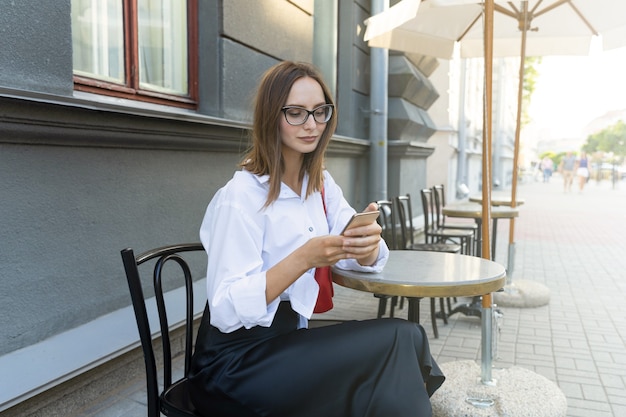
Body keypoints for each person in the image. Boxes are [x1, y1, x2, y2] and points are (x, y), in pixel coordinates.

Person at [188, 61, 445, 417]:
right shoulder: (241, 196)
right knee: (396, 341)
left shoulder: (319, 185)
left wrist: (367, 246)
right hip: (234, 367)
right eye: (295, 113)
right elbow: (226, 309)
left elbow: (359, 255)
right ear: (270, 117)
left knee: (408, 337)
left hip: (289, 344)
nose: (311, 124)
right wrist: (303, 258)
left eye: (320, 112)